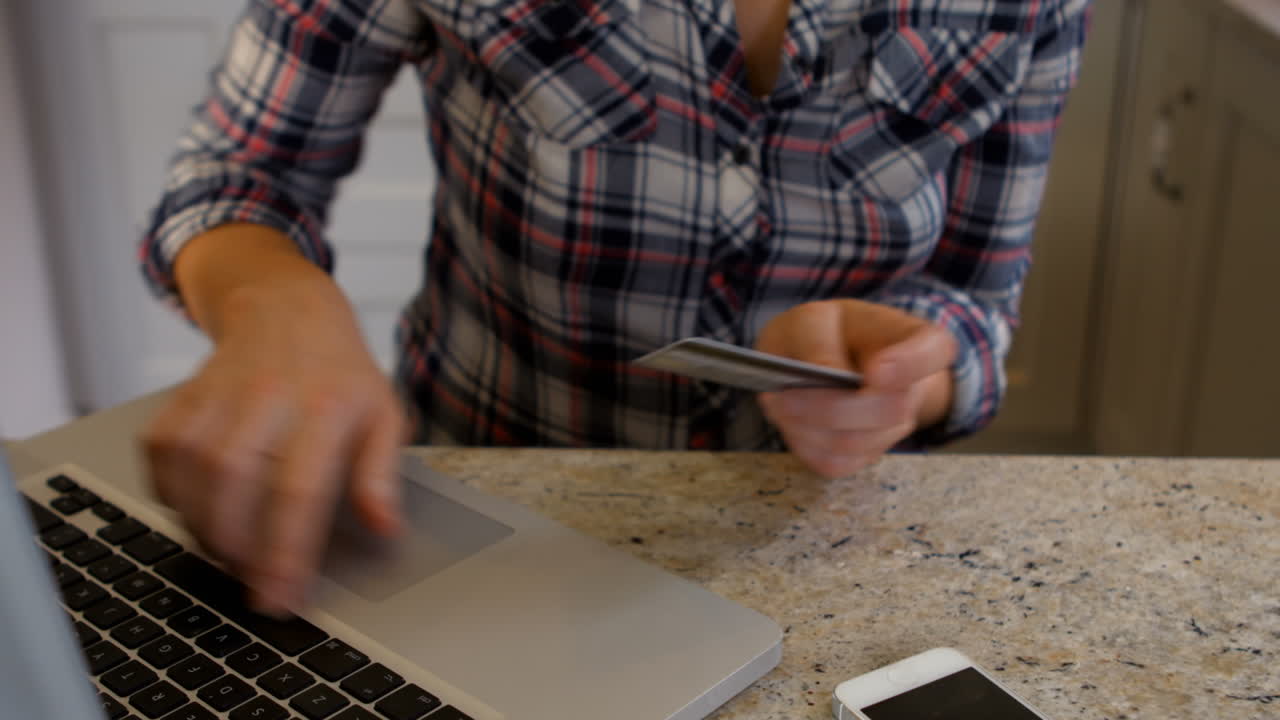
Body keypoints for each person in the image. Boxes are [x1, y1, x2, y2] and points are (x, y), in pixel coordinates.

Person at [140, 0, 1090, 615]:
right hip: (485, 524)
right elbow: (235, 175)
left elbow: (977, 307)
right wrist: (276, 303)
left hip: (823, 548)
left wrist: (905, 375)